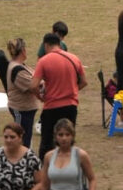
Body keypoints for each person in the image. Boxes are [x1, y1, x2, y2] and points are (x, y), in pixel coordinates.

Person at [29, 32, 87, 161]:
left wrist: (40, 97)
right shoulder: (74, 58)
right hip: (71, 106)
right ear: (59, 44)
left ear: (45, 45)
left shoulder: (44, 61)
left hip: (52, 106)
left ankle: (46, 168)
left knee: (47, 142)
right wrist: (72, 90)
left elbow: (33, 86)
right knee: (68, 140)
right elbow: (84, 81)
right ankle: (68, 165)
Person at [39, 118, 96, 190]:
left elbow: (92, 179)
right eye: (60, 135)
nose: (64, 138)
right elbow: (45, 185)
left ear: (72, 136)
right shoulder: (49, 157)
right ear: (55, 136)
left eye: (67, 134)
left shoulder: (81, 155)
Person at [5, 38, 40, 147]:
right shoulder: (17, 70)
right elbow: (34, 84)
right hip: (21, 109)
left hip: (26, 109)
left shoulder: (21, 66)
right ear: (23, 51)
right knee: (21, 140)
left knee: (26, 139)